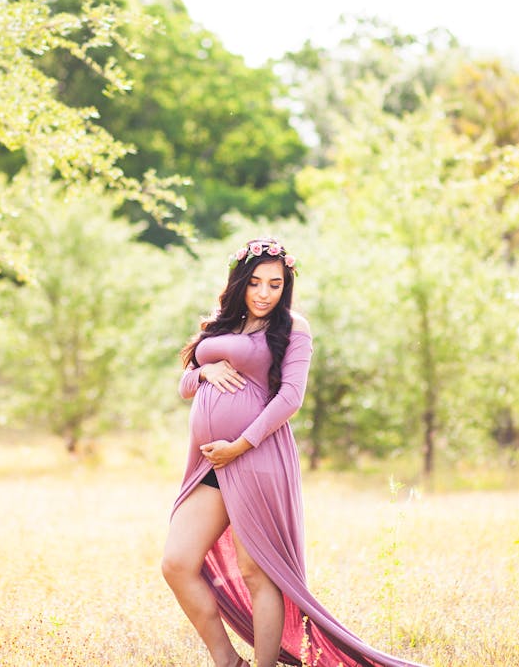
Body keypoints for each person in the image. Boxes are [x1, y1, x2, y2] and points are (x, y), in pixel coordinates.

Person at [161, 238, 425, 667]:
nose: (265, 293)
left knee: (256, 571)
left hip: (257, 457)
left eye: (276, 285)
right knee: (176, 563)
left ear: (286, 287)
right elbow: (185, 384)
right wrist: (203, 368)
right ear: (241, 283)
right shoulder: (221, 325)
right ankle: (228, 661)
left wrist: (239, 445)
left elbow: (290, 399)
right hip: (210, 464)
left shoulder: (293, 328)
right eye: (257, 284)